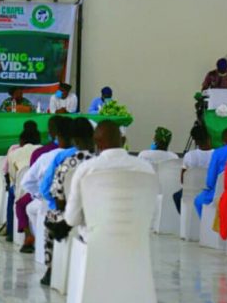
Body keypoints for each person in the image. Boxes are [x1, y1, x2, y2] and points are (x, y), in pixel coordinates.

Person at [45, 120, 155, 246]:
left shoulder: (86, 169)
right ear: (123, 140)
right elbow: (153, 208)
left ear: (96, 143)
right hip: (136, 241)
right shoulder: (146, 168)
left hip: (94, 242)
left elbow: (72, 219)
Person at [39, 117, 95, 285]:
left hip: (68, 218)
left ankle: (51, 268)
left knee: (50, 220)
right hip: (96, 215)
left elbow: (57, 198)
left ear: (74, 140)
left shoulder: (66, 164)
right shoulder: (98, 161)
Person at [17, 117, 73, 253]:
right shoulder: (90, 157)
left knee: (30, 208)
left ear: (54, 134)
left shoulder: (46, 155)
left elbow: (31, 183)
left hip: (52, 205)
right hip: (83, 210)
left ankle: (36, 242)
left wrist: (41, 196)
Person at [194, 127, 227, 217]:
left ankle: (207, 223)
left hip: (221, 192)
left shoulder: (218, 153)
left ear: (223, 140)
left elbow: (210, 181)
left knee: (198, 201)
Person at [173, 126, 213, 213]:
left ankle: (184, 217)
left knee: (176, 196)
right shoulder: (216, 154)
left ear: (195, 141)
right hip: (211, 191)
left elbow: (183, 179)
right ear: (209, 138)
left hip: (191, 193)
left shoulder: (189, 155)